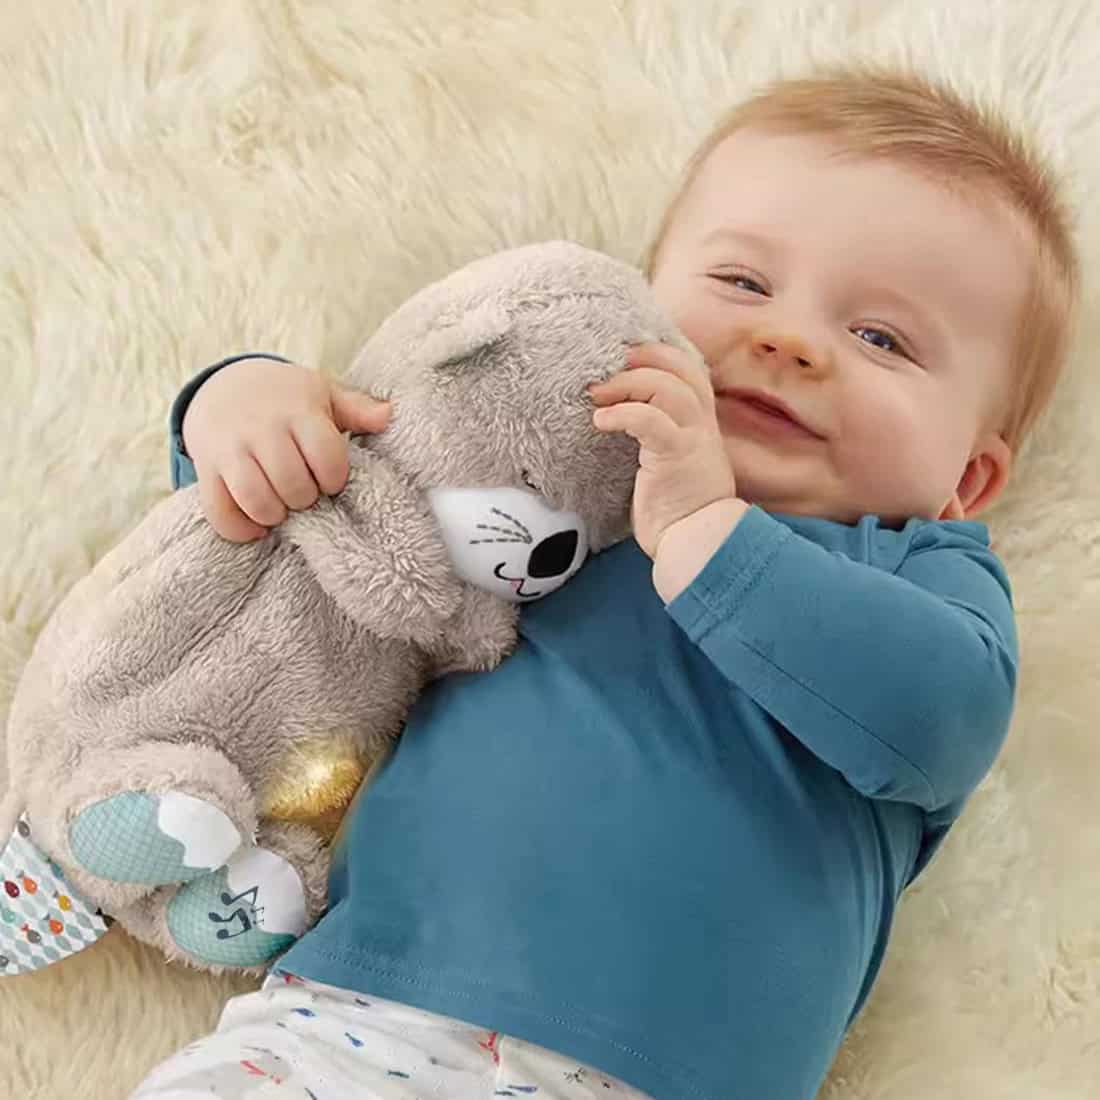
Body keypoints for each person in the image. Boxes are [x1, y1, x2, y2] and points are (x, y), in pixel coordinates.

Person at [132, 67, 1079, 1100]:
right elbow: (351, 522)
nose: (786, 341)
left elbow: (933, 715)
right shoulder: (559, 465)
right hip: (354, 1016)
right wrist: (241, 408)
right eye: (741, 284)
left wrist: (704, 532)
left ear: (968, 479)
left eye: (880, 338)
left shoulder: (916, 568)